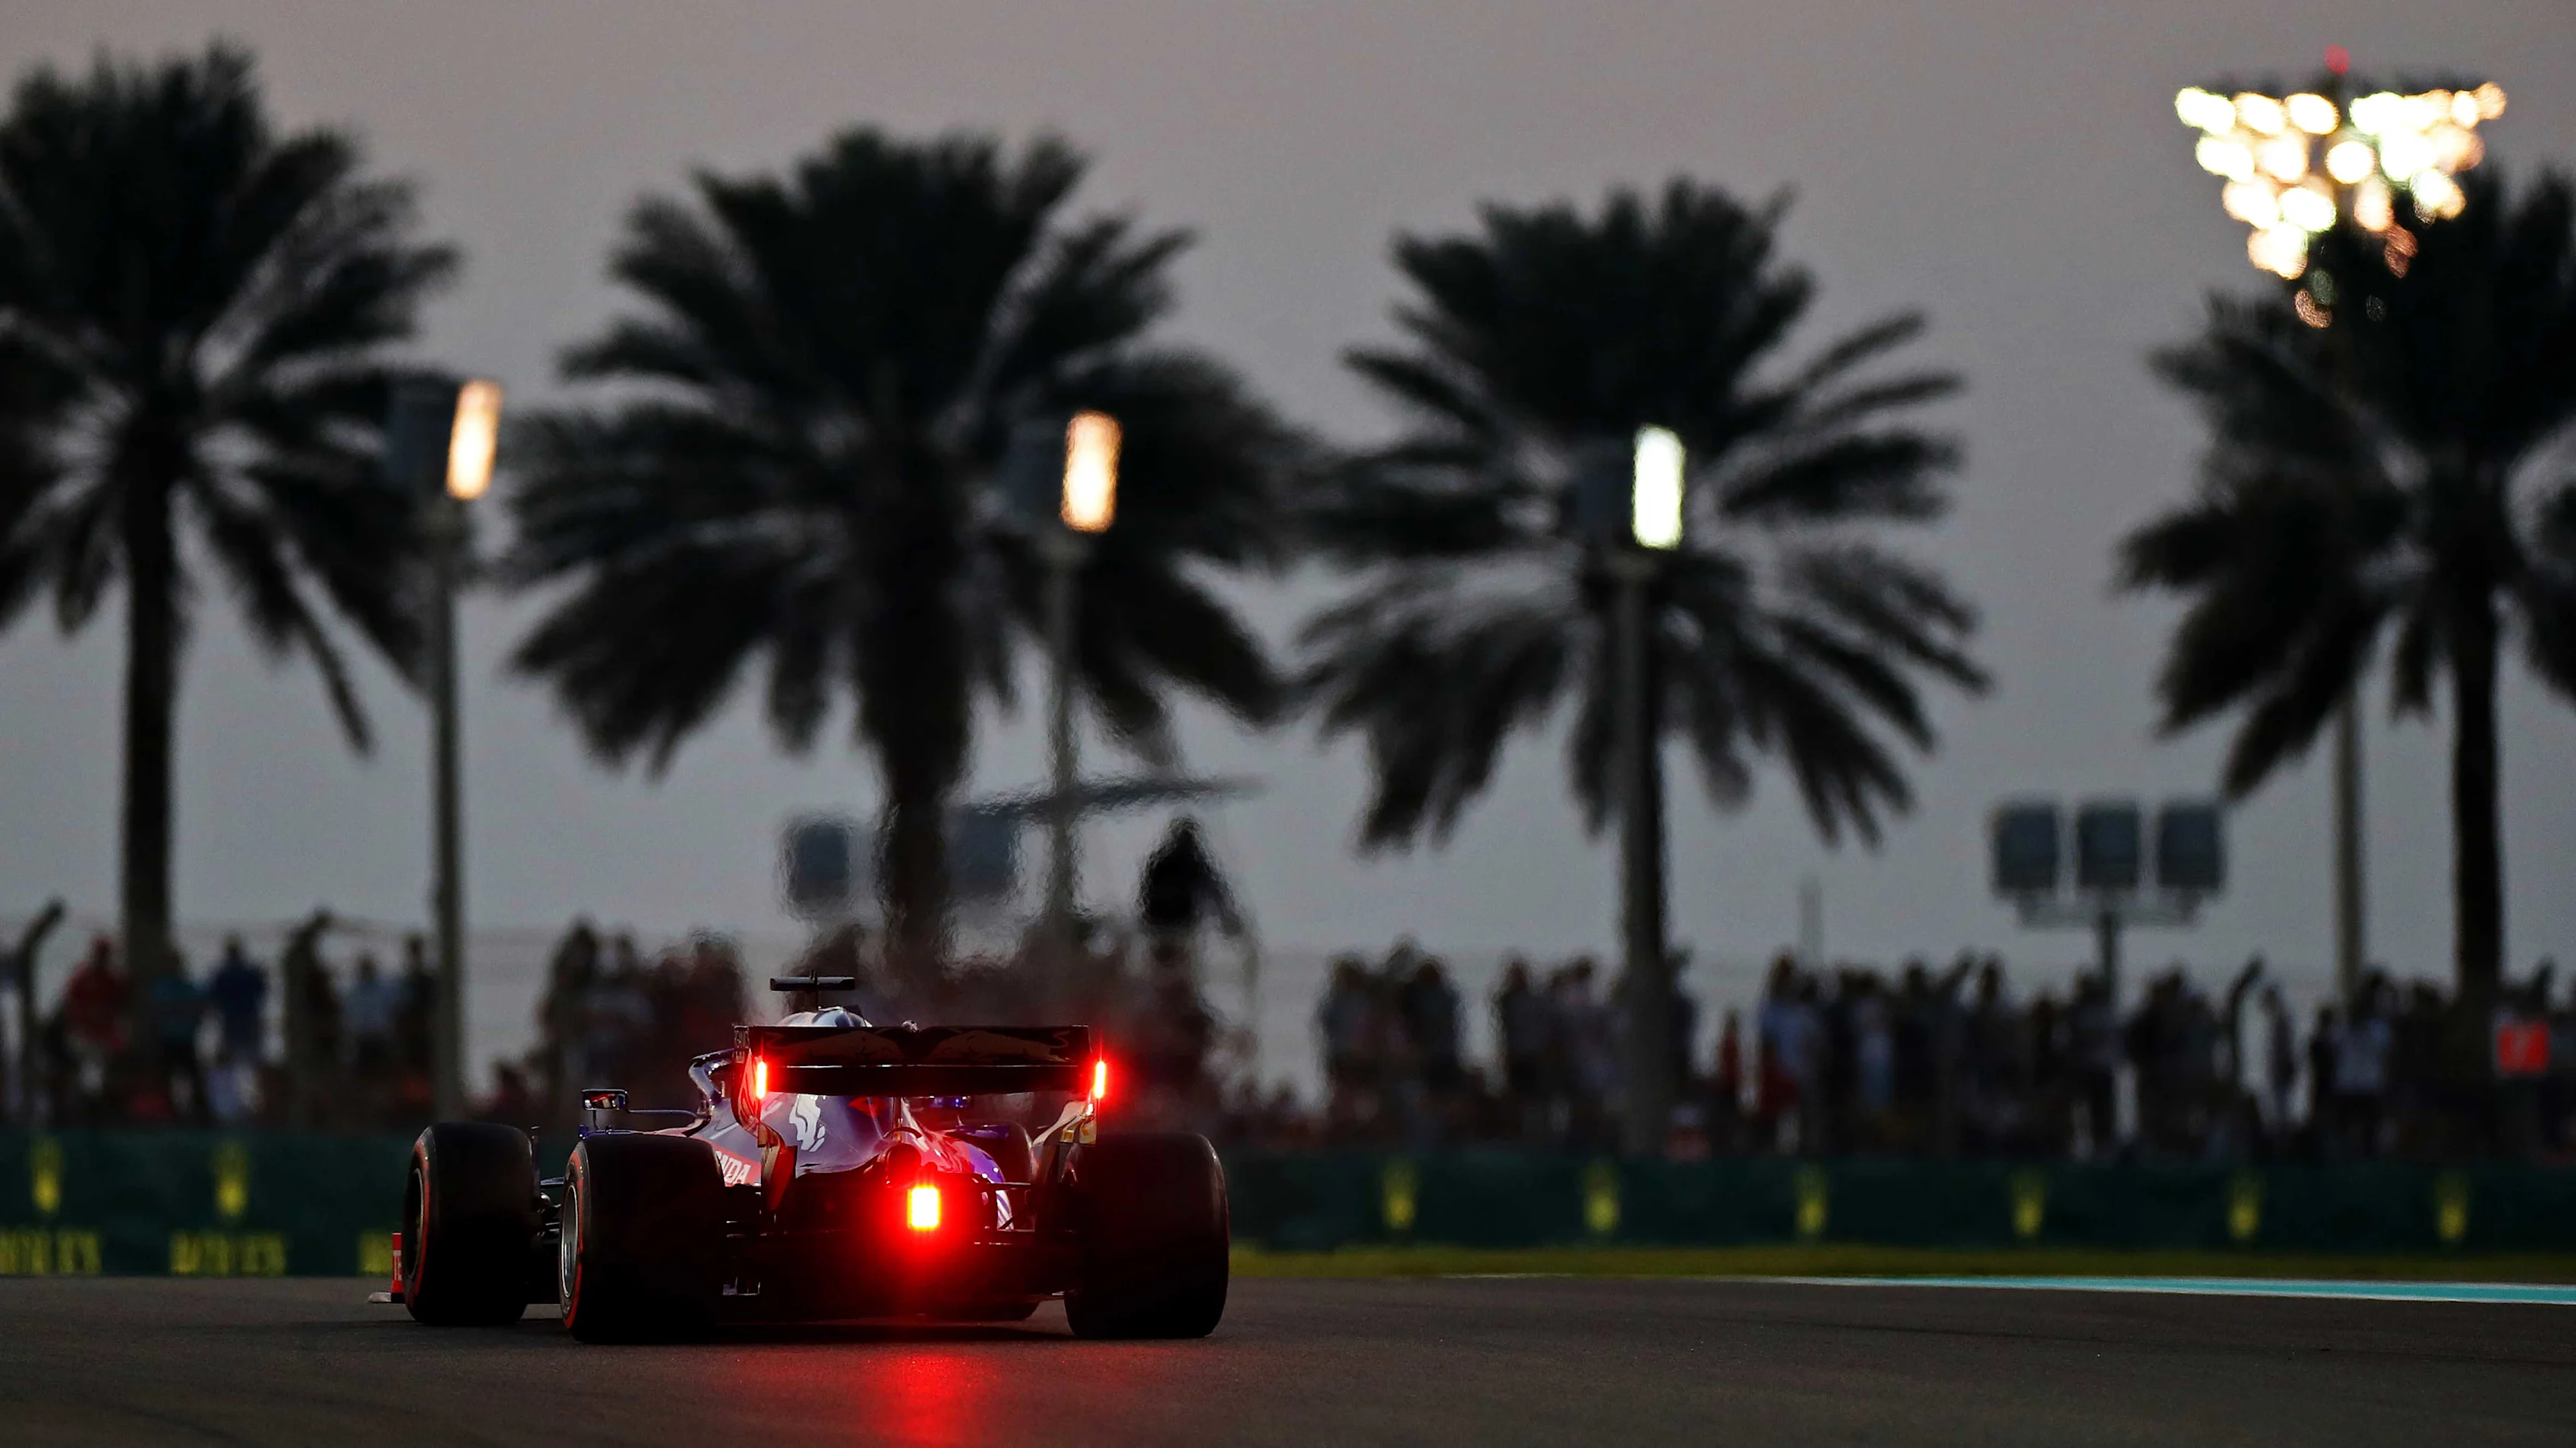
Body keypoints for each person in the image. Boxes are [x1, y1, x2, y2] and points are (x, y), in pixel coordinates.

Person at [1138, 819, 1243, 954]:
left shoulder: (1165, 861)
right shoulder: (1190, 864)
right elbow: (1214, 891)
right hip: (1171, 921)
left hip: (1167, 920)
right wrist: (1226, 917)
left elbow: (1214, 890)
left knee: (1171, 957)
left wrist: (1226, 917)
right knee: (1175, 956)